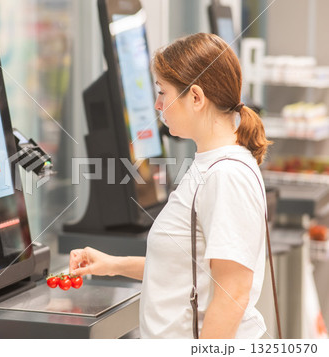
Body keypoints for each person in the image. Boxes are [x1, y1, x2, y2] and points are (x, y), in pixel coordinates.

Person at [69, 33, 272, 339]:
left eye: (163, 92)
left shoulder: (226, 176)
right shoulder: (209, 163)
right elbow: (189, 269)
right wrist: (113, 264)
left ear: (196, 98)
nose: (157, 103)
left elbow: (233, 295)